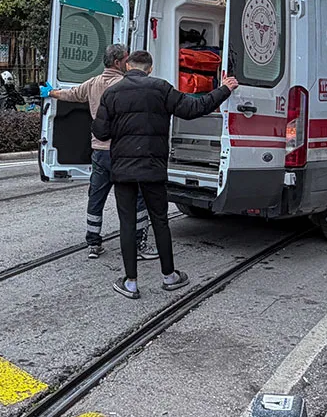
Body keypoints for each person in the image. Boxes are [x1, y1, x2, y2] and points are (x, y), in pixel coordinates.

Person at [92, 50, 237, 299]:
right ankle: (169, 277)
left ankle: (131, 283)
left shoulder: (111, 93)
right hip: (153, 168)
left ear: (127, 67)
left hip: (123, 170)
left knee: (127, 224)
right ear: (150, 68)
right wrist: (224, 89)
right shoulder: (161, 88)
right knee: (160, 220)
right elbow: (194, 108)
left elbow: (101, 133)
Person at [45, 44, 157, 260]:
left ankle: (93, 243)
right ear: (118, 63)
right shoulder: (126, 84)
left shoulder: (93, 83)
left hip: (99, 151)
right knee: (138, 196)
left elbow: (71, 94)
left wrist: (50, 92)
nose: (130, 63)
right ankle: (140, 244)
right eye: (127, 59)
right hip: (123, 152)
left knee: (96, 196)